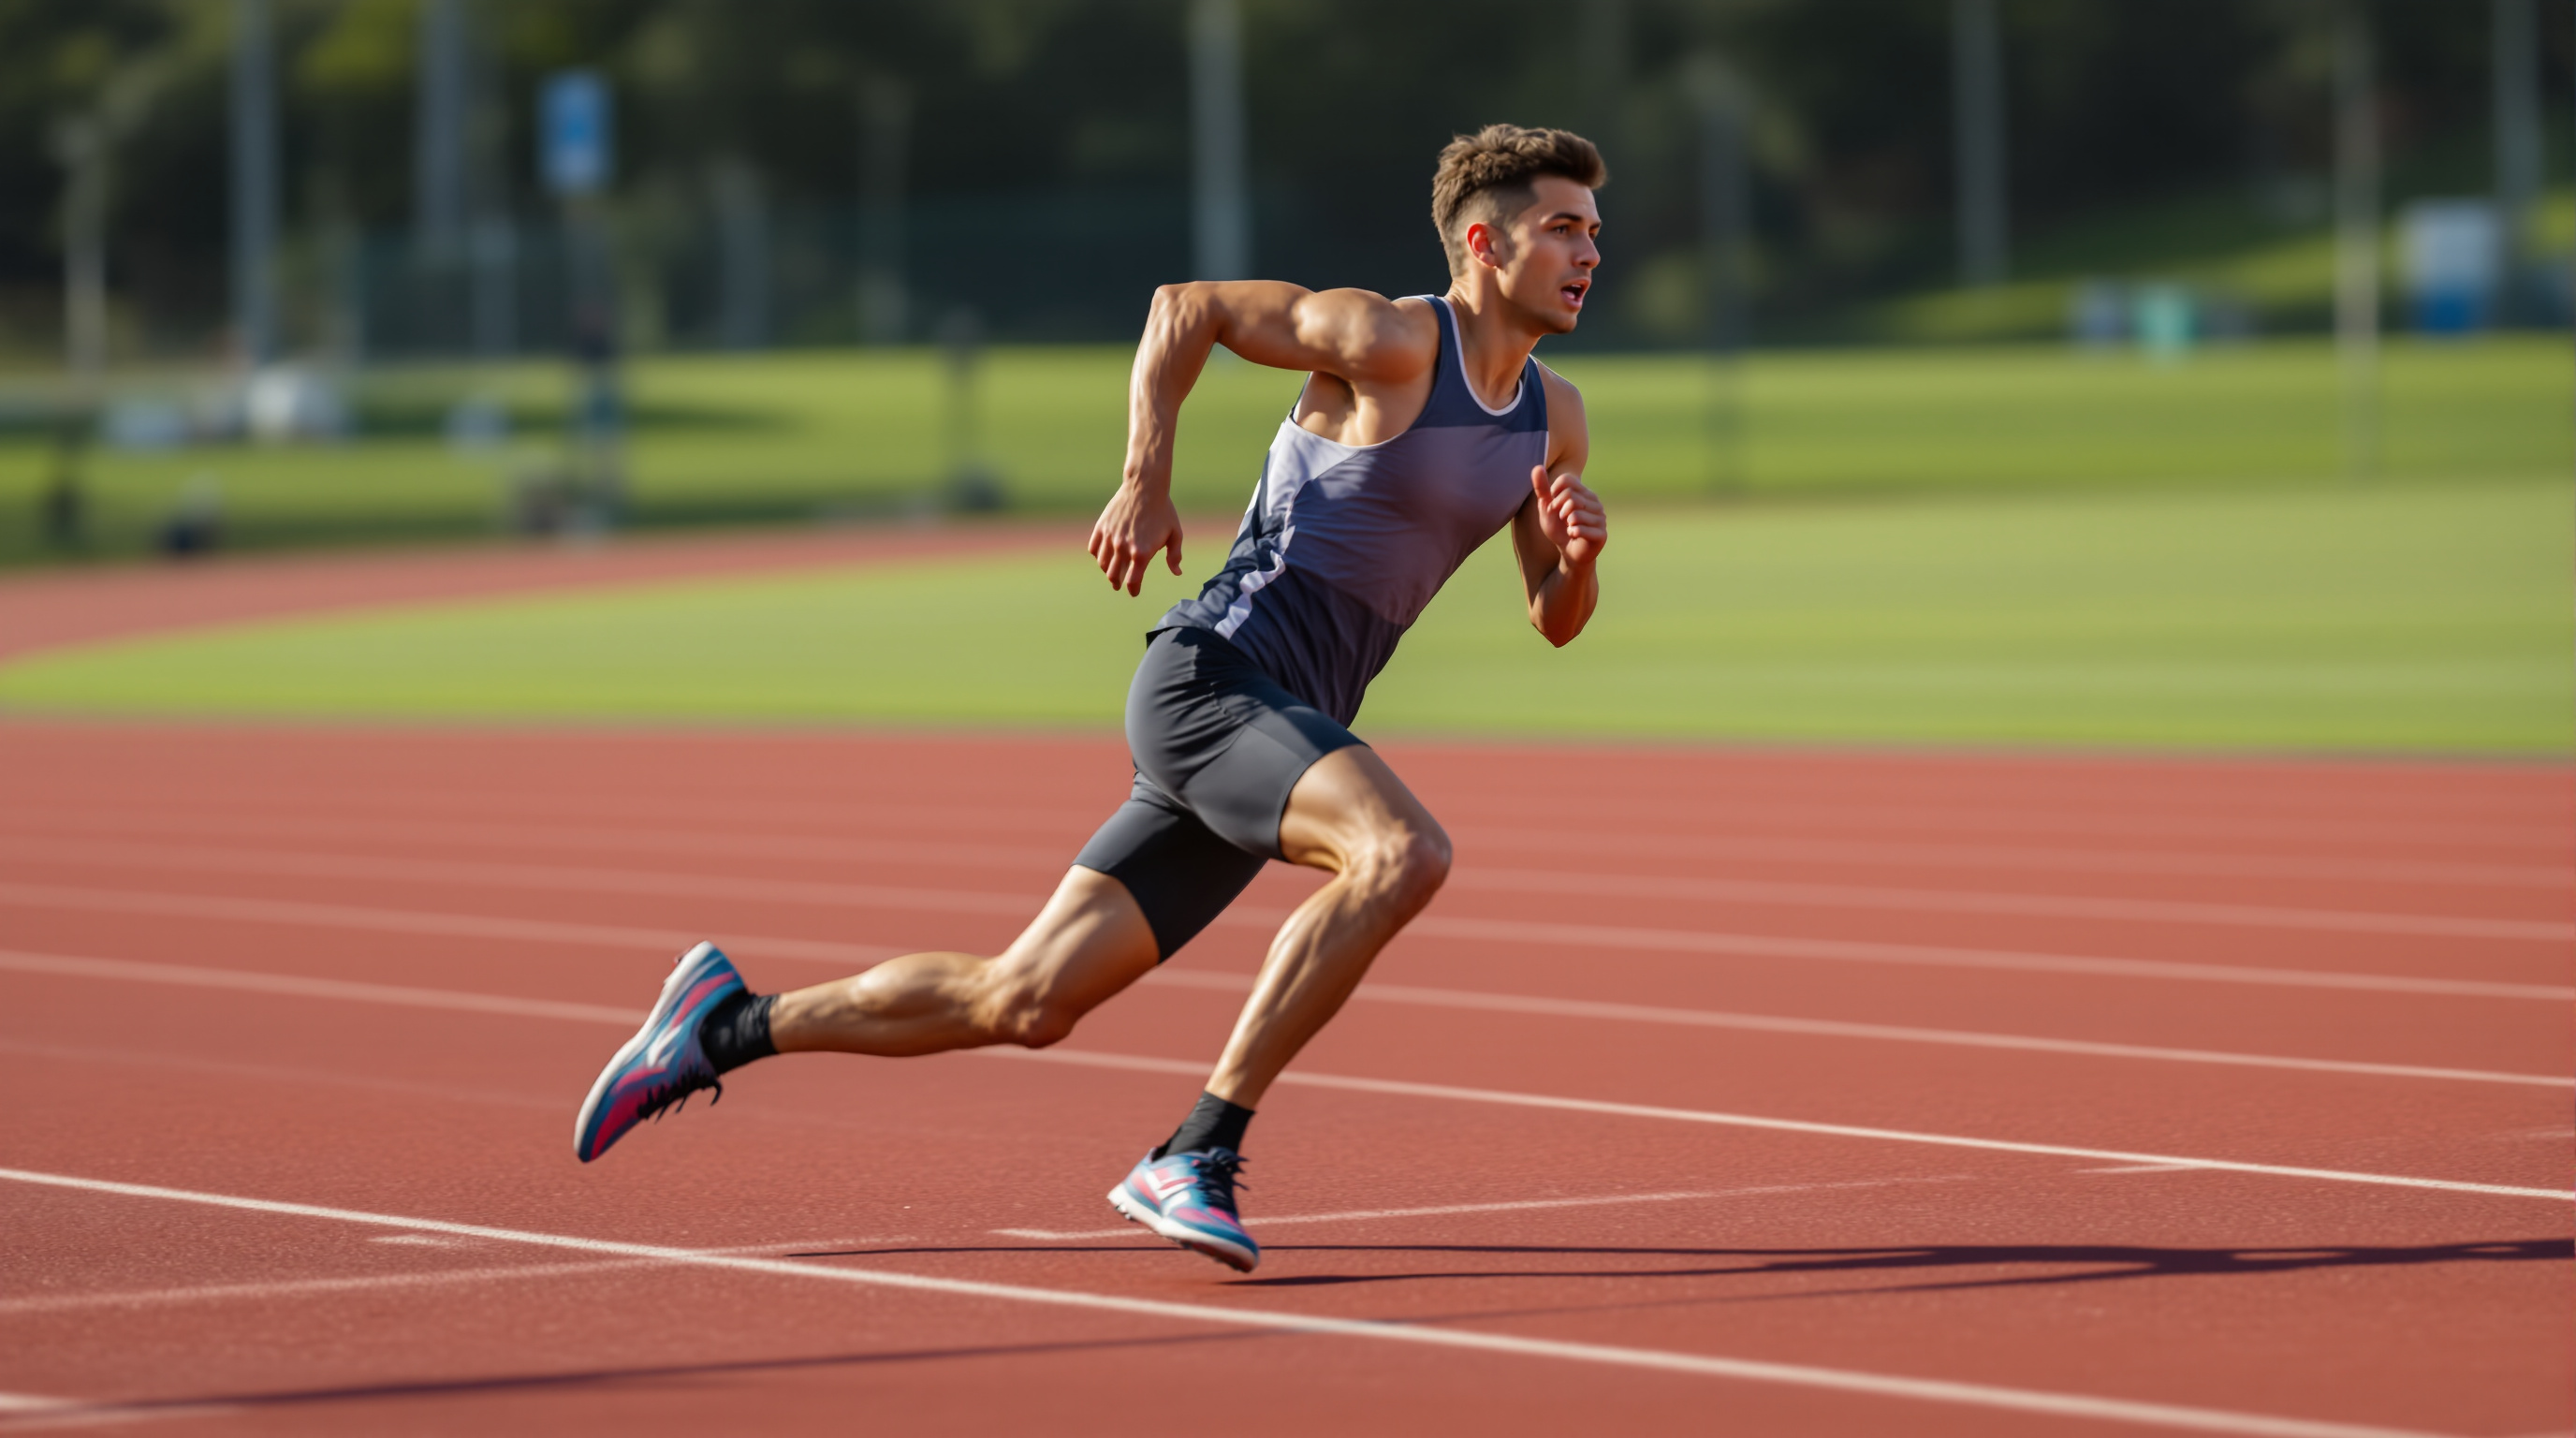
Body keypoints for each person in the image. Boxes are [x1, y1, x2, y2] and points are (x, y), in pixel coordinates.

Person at [574, 124, 1610, 1275]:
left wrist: (1576, 560)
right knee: (1401, 852)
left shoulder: (1553, 418)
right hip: (1215, 677)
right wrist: (1144, 475)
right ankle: (1197, 1152)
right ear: (1483, 240)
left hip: (1270, 728)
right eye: (1563, 227)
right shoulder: (1391, 339)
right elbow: (1186, 308)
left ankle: (720, 1026)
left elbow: (1551, 619)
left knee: (1024, 1000)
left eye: (1594, 232)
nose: (1588, 251)